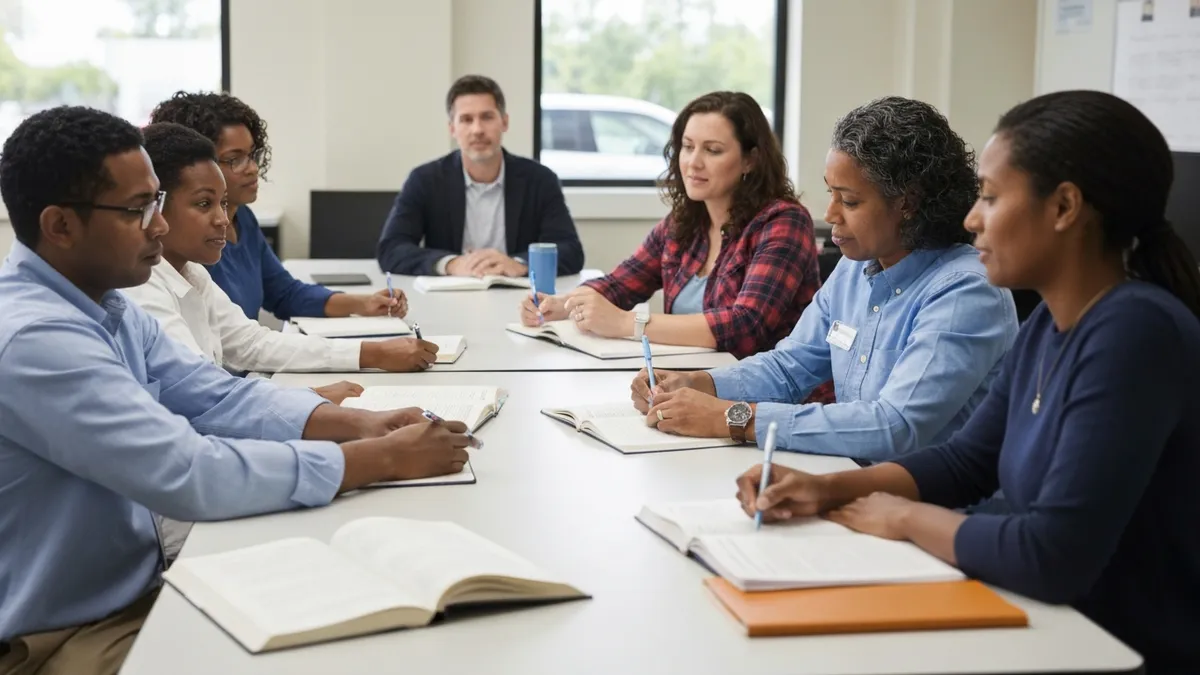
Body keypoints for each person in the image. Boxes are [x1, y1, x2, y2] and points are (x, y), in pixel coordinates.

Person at [735, 91, 1200, 673]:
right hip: (1045, 618)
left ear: (1064, 207)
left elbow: (1051, 554)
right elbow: (965, 462)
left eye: (991, 197)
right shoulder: (1051, 323)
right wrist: (828, 490)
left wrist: (903, 517)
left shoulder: (1134, 333)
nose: (973, 218)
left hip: (1116, 646)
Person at [0, 106, 471, 675]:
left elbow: (218, 395)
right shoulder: (36, 339)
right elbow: (187, 472)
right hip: (67, 634)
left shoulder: (110, 305)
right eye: (137, 209)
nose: (158, 226)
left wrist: (361, 424)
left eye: (156, 203)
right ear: (60, 226)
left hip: (141, 587)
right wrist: (379, 459)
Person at [632, 97, 1018, 461]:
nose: (830, 213)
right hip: (849, 473)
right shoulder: (855, 268)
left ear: (908, 203)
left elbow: (895, 426)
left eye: (849, 200)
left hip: (923, 499)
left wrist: (731, 417)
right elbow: (789, 367)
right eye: (830, 193)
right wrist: (700, 384)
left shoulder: (965, 290)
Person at [124, 122, 440, 403]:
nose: (223, 220)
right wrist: (310, 397)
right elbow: (203, 392)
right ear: (155, 206)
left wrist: (371, 353)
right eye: (205, 204)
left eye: (222, 204)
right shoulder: (142, 288)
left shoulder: (192, 272)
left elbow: (251, 342)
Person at [519, 91, 824, 362]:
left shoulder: (784, 222)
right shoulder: (683, 223)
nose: (693, 162)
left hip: (769, 398)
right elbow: (620, 284)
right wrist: (565, 304)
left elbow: (746, 326)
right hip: (692, 381)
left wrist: (627, 323)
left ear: (750, 160)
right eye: (687, 147)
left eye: (713, 150)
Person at [149, 91, 397, 321]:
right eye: (235, 159)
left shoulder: (243, 218)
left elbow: (283, 293)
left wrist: (363, 303)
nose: (252, 168)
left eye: (252, 155)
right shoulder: (190, 244)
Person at [376, 75, 584, 278]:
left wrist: (520, 264)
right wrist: (451, 264)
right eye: (466, 120)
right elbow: (391, 249)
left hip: (519, 295)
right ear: (452, 129)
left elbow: (570, 250)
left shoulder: (540, 180)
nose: (477, 130)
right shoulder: (425, 180)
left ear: (504, 122)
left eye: (487, 117)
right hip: (448, 294)